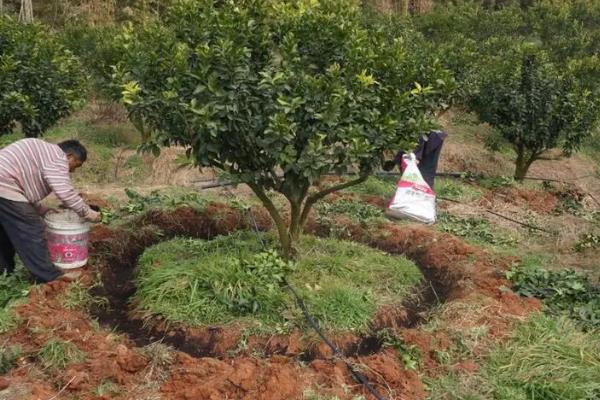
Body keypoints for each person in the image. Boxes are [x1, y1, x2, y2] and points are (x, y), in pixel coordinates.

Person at [0, 138, 101, 283]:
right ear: (70, 156)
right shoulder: (57, 156)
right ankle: (50, 277)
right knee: (32, 227)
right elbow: (65, 192)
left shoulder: (44, 153)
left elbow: (22, 195)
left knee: (4, 232)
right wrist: (87, 212)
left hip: (4, 186)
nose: (72, 171)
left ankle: (4, 274)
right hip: (4, 185)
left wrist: (43, 210)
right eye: (75, 166)